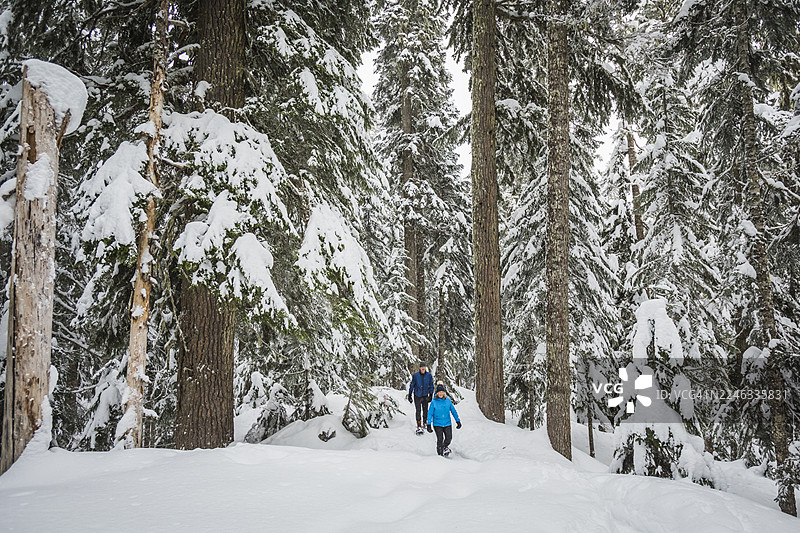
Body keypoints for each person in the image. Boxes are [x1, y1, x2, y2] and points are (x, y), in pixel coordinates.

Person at [426, 382, 461, 456]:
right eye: (439, 392)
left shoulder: (448, 401)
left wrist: (457, 421)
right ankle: (440, 455)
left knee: (449, 438)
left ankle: (445, 447)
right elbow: (430, 413)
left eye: (442, 392)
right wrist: (429, 424)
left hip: (447, 423)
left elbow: (453, 411)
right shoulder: (434, 402)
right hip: (437, 424)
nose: (441, 393)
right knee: (440, 439)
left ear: (444, 393)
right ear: (437, 393)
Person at [407, 362, 434, 432]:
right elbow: (412, 385)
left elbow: (431, 385)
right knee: (418, 410)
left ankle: (425, 423)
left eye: (424, 367)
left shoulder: (429, 375)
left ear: (425, 368)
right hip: (417, 396)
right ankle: (419, 425)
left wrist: (431, 394)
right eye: (422, 367)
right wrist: (409, 394)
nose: (423, 368)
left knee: (425, 410)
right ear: (419, 368)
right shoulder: (416, 376)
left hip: (425, 395)